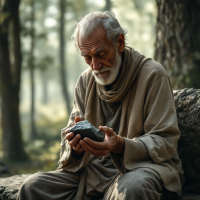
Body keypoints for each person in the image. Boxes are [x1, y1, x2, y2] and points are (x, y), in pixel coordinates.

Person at [17, 11, 184, 200]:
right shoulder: (85, 80)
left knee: (132, 189)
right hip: (94, 171)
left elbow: (165, 142)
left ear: (120, 42)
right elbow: (68, 142)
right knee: (32, 187)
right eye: (87, 58)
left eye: (101, 54)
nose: (95, 66)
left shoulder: (153, 75)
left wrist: (120, 145)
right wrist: (76, 147)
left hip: (142, 168)